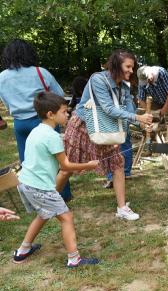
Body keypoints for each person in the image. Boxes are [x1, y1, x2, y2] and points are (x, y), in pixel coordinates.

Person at [56, 50, 153, 221]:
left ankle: (122, 208)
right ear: (116, 65)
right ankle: (48, 202)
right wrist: (138, 117)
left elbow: (127, 111)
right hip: (83, 126)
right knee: (67, 167)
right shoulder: (98, 80)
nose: (131, 71)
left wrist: (142, 123)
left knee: (118, 164)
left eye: (133, 67)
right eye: (128, 67)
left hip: (108, 129)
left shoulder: (123, 86)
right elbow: (108, 108)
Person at [13, 92, 99, 267]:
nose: (67, 114)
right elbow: (65, 166)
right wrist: (88, 165)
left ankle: (23, 250)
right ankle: (74, 259)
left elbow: (54, 159)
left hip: (26, 183)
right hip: (39, 188)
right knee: (66, 217)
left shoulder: (37, 131)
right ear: (50, 114)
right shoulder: (52, 136)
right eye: (64, 112)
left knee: (43, 214)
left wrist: (79, 165)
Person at [0, 39, 72, 201]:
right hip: (44, 120)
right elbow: (59, 94)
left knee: (28, 162)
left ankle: (36, 197)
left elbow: (5, 101)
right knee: (56, 158)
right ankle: (62, 194)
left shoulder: (2, 77)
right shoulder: (40, 72)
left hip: (20, 124)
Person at [137, 65, 168, 144]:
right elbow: (141, 99)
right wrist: (149, 113)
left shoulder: (161, 72)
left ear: (150, 73)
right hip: (157, 99)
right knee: (150, 121)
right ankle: (154, 144)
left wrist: (164, 110)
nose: (146, 82)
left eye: (147, 79)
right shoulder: (142, 80)